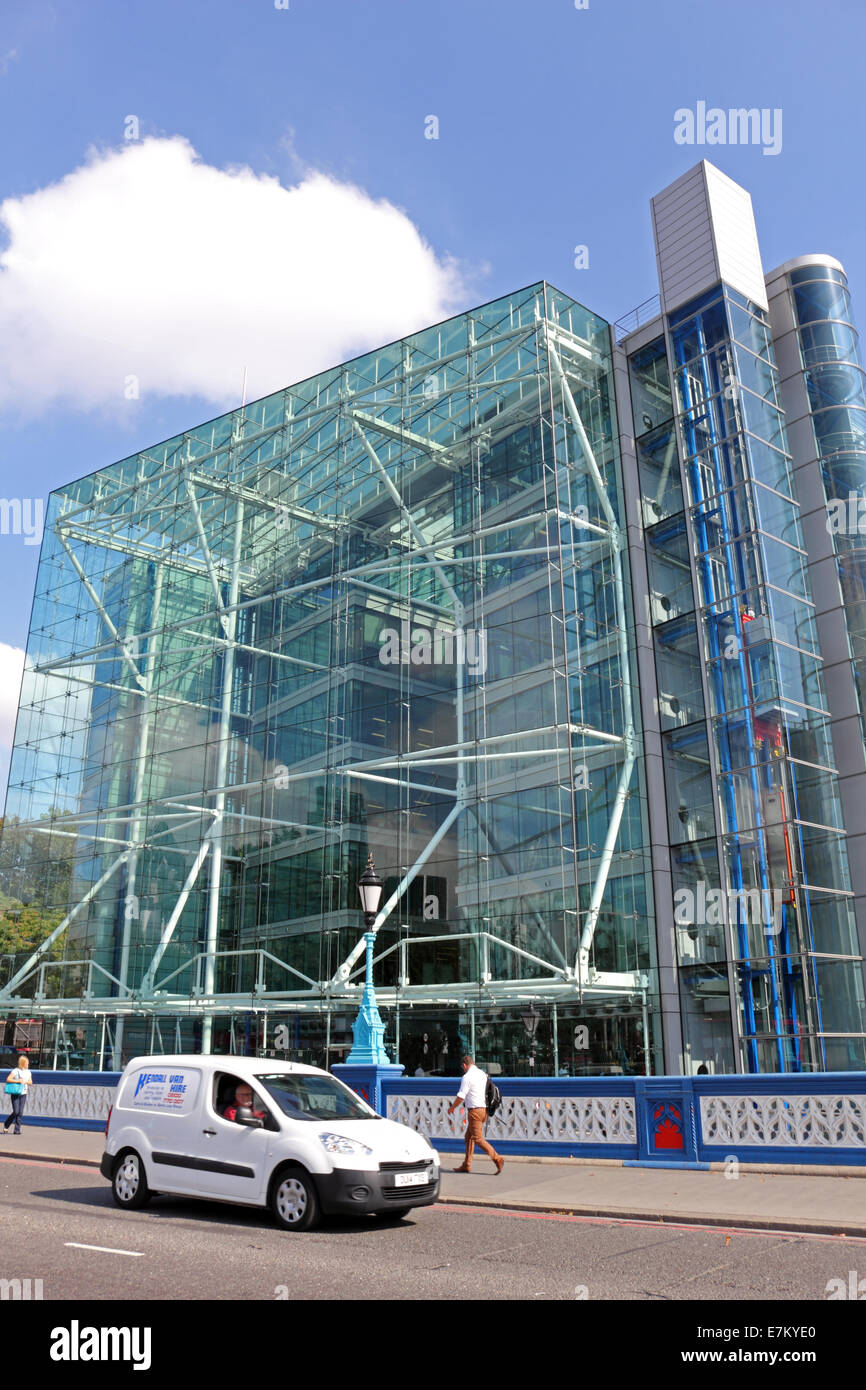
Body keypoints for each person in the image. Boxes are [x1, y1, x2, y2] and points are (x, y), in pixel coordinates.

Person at [447, 1054, 504, 1175]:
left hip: (474, 1112)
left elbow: (461, 1096)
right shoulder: (482, 1074)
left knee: (477, 1139)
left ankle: (497, 1158)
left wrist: (452, 1107)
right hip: (484, 1110)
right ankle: (466, 1165)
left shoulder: (467, 1077)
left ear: (464, 1065)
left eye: (463, 1067)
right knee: (469, 1137)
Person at [3, 1055, 34, 1135]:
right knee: (16, 1111)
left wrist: (25, 1082)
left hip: (23, 1093)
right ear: (23, 1063)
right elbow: (8, 1079)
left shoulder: (28, 1072)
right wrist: (18, 1081)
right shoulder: (16, 1071)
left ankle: (17, 1130)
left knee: (20, 1112)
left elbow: (30, 1082)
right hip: (16, 1093)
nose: (28, 1064)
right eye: (27, 1062)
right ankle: (6, 1124)